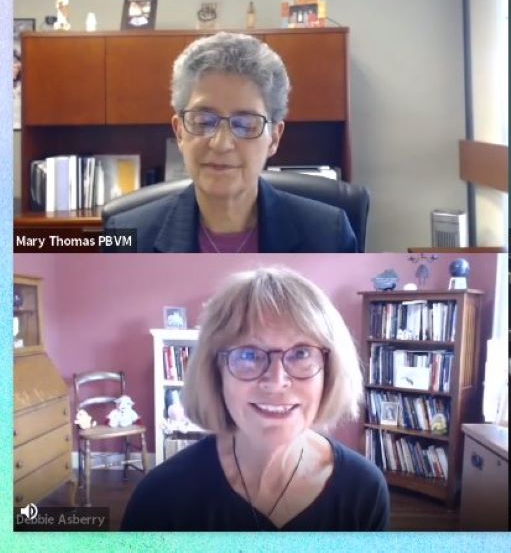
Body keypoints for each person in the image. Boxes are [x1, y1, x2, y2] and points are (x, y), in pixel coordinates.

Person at [122, 268, 388, 530]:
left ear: (330, 370)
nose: (276, 381)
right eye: (248, 354)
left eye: (301, 353)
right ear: (216, 372)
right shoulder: (160, 496)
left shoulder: (363, 490)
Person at [104, 32, 358, 253]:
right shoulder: (128, 235)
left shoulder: (328, 235)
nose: (221, 143)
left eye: (245, 125)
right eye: (203, 121)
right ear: (180, 132)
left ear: (274, 138)